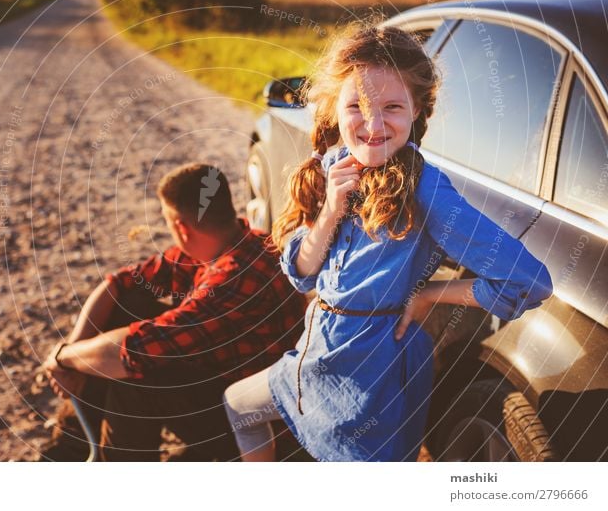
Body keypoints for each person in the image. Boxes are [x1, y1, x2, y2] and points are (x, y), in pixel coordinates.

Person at [222, 25, 555, 462]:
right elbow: (301, 275)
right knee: (238, 405)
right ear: (332, 107)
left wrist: (431, 295)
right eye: (356, 106)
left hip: (371, 376)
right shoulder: (334, 165)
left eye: (393, 107)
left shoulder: (426, 191)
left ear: (417, 109)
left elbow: (529, 281)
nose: (374, 124)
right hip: (316, 353)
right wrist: (330, 211)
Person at [41, 162, 306, 461]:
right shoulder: (235, 240)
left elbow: (136, 350)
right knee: (130, 303)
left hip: (254, 422)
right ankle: (72, 447)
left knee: (140, 379)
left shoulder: (233, 278)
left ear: (180, 226)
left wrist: (64, 357)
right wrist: (72, 352)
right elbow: (119, 284)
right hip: (222, 383)